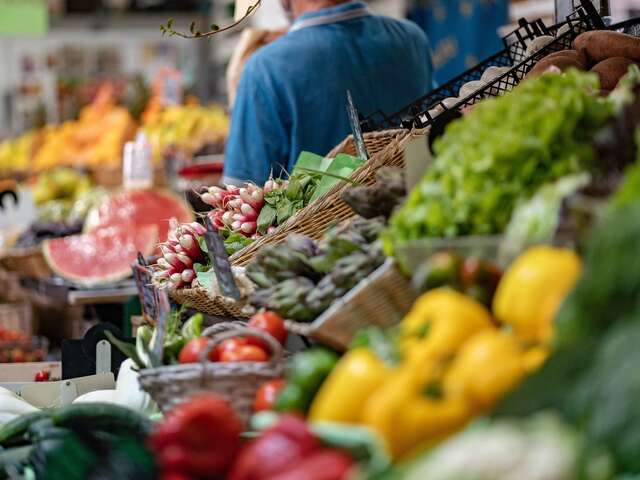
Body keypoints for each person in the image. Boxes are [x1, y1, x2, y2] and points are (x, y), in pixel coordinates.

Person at [223, 0, 435, 185]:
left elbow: (242, 193)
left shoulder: (265, 68)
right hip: (415, 221)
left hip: (318, 229)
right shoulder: (413, 39)